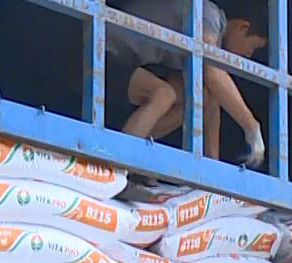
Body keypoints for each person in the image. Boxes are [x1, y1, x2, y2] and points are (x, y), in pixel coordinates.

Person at [110, 0, 270, 167]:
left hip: (128, 65)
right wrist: (252, 127)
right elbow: (211, 72)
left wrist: (212, 168)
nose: (249, 55)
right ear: (241, 27)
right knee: (164, 94)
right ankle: (117, 165)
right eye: (254, 46)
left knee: (199, 96)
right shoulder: (209, 14)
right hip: (105, 48)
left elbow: (210, 95)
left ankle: (133, 149)